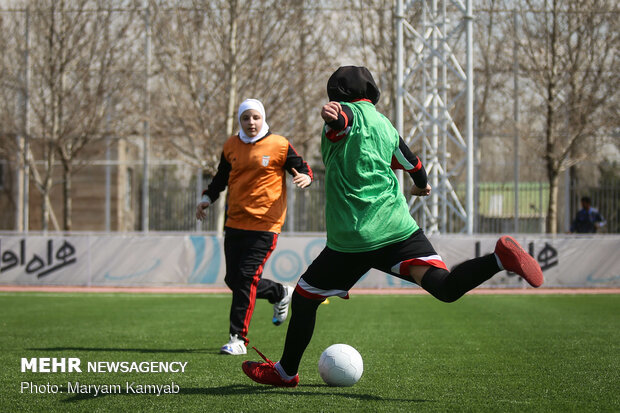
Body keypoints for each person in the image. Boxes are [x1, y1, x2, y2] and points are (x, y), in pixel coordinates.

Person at [241, 66, 544, 386]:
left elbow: (341, 120)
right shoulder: (385, 126)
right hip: (399, 229)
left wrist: (331, 115)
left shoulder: (347, 114)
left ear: (337, 93)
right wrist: (421, 187)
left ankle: (286, 372)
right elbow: (415, 165)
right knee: (444, 287)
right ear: (372, 92)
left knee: (305, 297)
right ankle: (499, 259)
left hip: (355, 237)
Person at [196, 98, 313, 355]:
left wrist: (305, 176)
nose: (251, 122)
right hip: (235, 221)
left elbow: (303, 168)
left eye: (255, 117)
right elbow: (220, 179)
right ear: (240, 120)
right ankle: (280, 292)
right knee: (234, 280)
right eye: (246, 118)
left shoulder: (279, 145)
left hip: (266, 224)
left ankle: (238, 339)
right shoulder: (231, 145)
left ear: (263, 118)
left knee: (246, 278)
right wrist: (207, 198)